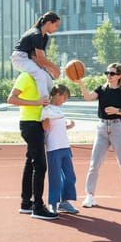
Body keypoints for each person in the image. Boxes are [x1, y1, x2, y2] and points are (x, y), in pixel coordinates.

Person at [72, 62, 121, 208]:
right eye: (107, 73)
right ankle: (90, 196)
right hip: (101, 128)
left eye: (112, 73)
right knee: (94, 164)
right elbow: (88, 98)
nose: (109, 76)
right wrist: (81, 83)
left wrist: (116, 110)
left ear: (119, 76)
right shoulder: (101, 89)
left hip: (117, 127)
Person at [7, 72, 58, 220]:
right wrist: (36, 103)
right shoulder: (26, 76)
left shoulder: (42, 79)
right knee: (40, 165)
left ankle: (26, 203)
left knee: (31, 163)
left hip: (37, 123)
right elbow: (11, 99)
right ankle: (37, 207)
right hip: (30, 124)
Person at [41, 84, 79, 214]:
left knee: (70, 176)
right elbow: (46, 128)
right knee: (55, 177)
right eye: (65, 97)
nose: (65, 101)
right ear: (57, 94)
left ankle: (65, 202)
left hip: (65, 147)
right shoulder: (46, 109)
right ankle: (53, 203)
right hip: (53, 148)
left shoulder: (58, 110)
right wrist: (45, 119)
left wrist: (68, 126)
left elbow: (58, 128)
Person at [10, 11, 61, 100]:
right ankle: (45, 104)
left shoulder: (44, 37)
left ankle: (52, 103)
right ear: (49, 23)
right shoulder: (36, 34)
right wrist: (54, 68)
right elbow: (40, 58)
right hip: (19, 58)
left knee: (47, 79)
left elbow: (37, 58)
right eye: (56, 25)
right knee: (40, 75)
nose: (57, 28)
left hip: (29, 58)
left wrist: (49, 70)